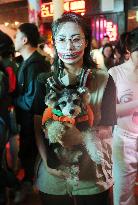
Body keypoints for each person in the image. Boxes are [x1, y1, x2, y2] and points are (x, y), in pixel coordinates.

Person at [34, 12, 116, 205]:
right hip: (53, 178)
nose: (69, 46)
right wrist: (47, 163)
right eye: (62, 39)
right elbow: (37, 127)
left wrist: (82, 136)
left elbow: (110, 127)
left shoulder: (104, 79)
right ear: (54, 42)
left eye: (76, 39)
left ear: (86, 42)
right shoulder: (42, 81)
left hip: (92, 178)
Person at [13, 23, 50, 198]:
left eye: (16, 36)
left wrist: (13, 99)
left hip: (33, 124)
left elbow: (32, 101)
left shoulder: (35, 65)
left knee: (32, 160)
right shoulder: (27, 62)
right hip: (27, 123)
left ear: (25, 39)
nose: (14, 40)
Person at [108, 28, 138, 205]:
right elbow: (110, 110)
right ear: (130, 49)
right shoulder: (115, 73)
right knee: (123, 194)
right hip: (124, 141)